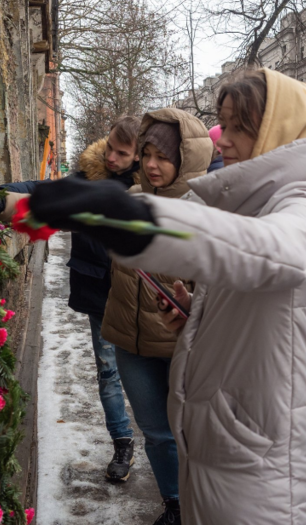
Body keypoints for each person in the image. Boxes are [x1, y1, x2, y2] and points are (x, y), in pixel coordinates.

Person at [28, 68, 306, 524]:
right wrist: (199, 315)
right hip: (229, 441)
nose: (224, 140)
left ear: (278, 131)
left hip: (268, 456)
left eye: (239, 128)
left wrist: (130, 220)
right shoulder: (249, 200)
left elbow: (280, 252)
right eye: (224, 125)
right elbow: (263, 307)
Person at [0, 117, 140, 481]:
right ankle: (122, 442)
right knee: (109, 373)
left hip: (141, 298)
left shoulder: (151, 187)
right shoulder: (89, 178)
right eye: (110, 148)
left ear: (139, 156)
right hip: (99, 294)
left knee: (150, 376)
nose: (113, 158)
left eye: (123, 153)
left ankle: (166, 450)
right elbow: (44, 190)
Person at [100, 109, 211, 524]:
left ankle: (203, 506)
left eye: (163, 157)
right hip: (131, 343)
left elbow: (220, 284)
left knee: (195, 434)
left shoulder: (208, 211)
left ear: (187, 158)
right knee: (157, 434)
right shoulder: (129, 201)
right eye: (146, 154)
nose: (150, 164)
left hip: (182, 343)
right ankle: (174, 504)